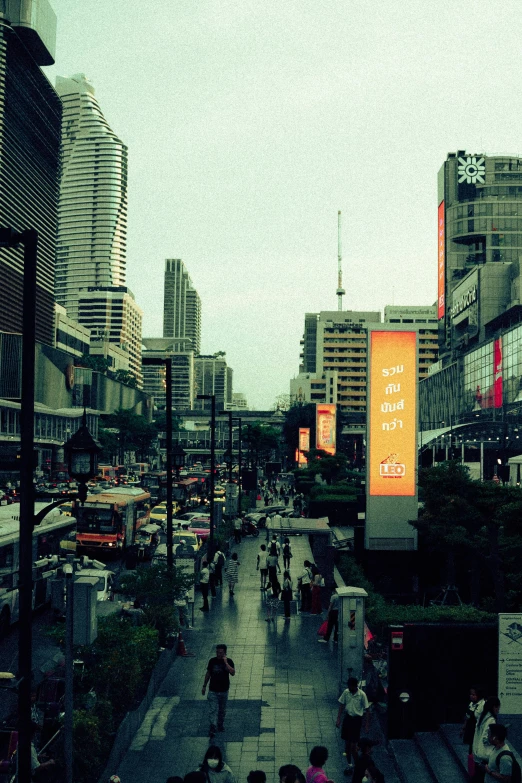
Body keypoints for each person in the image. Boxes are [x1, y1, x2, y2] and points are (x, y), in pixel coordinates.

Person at [336, 677, 370, 774]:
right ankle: (349, 764)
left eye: (352, 686)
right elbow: (342, 705)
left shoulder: (362, 695)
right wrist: (339, 719)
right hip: (347, 719)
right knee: (347, 745)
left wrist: (367, 724)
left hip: (356, 721)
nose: (350, 688)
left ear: (356, 685)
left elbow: (367, 710)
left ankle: (357, 764)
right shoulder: (346, 692)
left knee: (353, 746)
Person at [202, 644, 235, 736]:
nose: (218, 654)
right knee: (212, 709)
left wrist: (226, 663)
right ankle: (212, 726)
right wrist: (204, 686)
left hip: (224, 690)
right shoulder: (212, 661)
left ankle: (220, 724)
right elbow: (208, 673)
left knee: (222, 710)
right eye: (217, 652)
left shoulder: (229, 661)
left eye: (220, 652)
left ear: (225, 653)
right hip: (213, 690)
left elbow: (232, 673)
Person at [472, 697, 501, 782]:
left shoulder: (482, 717)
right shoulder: (491, 720)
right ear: (494, 707)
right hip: (485, 755)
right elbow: (486, 739)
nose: (498, 710)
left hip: (477, 753)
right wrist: (496, 741)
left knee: (477, 777)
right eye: (497, 707)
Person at [462, 685, 486, 753]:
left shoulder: (483, 704)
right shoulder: (471, 703)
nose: (471, 696)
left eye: (473, 694)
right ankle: (470, 763)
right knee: (470, 748)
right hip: (470, 729)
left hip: (477, 729)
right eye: (471, 694)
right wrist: (463, 728)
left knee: (476, 749)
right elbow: (467, 716)